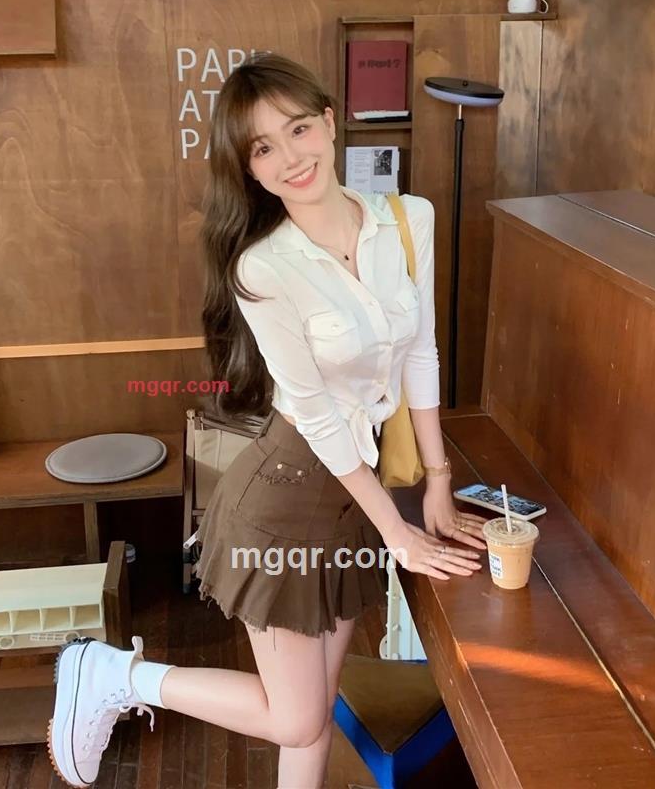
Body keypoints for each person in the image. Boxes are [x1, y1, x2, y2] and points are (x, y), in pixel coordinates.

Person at [46, 52, 487, 789]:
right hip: (284, 503)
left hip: (353, 500)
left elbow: (421, 351)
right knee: (295, 719)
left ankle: (116, 675)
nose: (291, 157)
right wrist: (397, 533)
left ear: (330, 122)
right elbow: (315, 416)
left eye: (299, 129)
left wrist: (438, 482)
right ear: (248, 169)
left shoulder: (411, 221)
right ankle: (116, 675)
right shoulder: (263, 267)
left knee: (311, 720)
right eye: (263, 148)